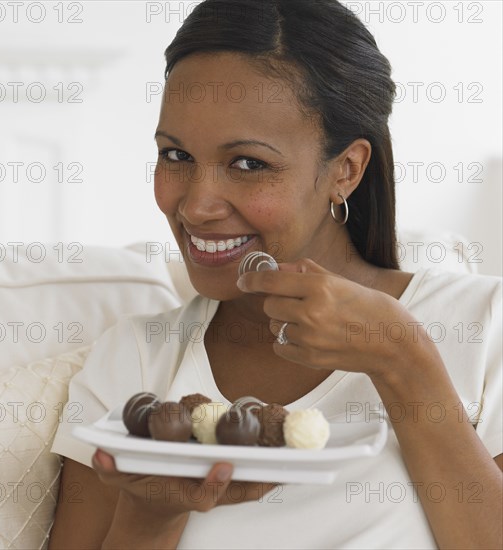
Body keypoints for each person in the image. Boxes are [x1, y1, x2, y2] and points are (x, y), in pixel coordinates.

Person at [49, 1, 502, 548]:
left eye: (248, 163)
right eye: (176, 155)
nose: (196, 206)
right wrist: (152, 513)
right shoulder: (134, 361)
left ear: (346, 170)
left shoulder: (483, 328)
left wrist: (404, 361)